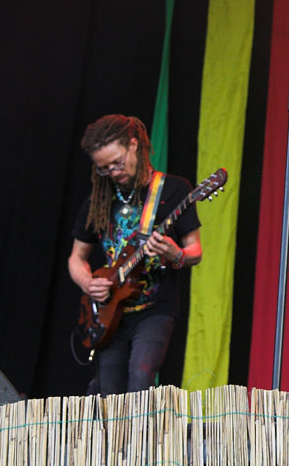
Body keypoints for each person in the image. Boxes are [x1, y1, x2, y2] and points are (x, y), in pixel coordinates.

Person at [66, 115, 201, 394]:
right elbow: (76, 257)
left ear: (134, 145)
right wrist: (88, 283)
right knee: (108, 390)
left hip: (155, 308)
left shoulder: (174, 189)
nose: (113, 172)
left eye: (117, 162)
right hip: (109, 312)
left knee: (141, 376)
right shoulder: (98, 200)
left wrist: (175, 253)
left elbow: (195, 251)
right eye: (104, 168)